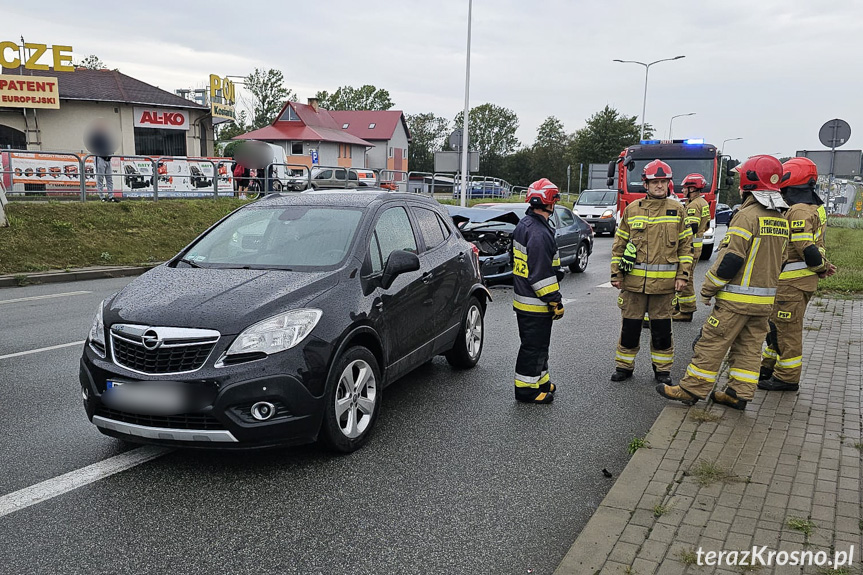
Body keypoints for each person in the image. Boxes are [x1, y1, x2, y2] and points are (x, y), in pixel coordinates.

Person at [656, 155, 788, 410]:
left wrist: (708, 288)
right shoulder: (781, 218)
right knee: (749, 348)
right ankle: (738, 393)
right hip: (764, 303)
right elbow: (781, 260)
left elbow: (731, 259)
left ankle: (690, 389)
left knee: (711, 343)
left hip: (736, 301)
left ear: (747, 182)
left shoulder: (747, 216)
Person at [610, 160, 694, 385]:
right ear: (645, 185)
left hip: (664, 287)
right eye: (654, 182)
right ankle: (624, 367)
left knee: (662, 331)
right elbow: (620, 244)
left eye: (663, 182)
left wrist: (683, 275)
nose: (659, 186)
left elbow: (686, 247)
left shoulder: (678, 210)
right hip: (633, 285)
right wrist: (616, 274)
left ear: (669, 184)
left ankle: (662, 371)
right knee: (630, 328)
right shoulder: (632, 210)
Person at [759, 158, 836, 391]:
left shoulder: (799, 210)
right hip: (794, 283)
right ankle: (769, 366)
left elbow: (806, 248)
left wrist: (821, 267)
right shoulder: (809, 207)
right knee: (776, 328)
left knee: (787, 331)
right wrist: (821, 266)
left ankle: (787, 377)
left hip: (792, 283)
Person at [512, 178, 565, 404]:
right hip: (536, 303)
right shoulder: (540, 233)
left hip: (525, 300)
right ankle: (526, 390)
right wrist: (555, 301)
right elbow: (541, 275)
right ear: (550, 203)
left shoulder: (525, 224)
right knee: (533, 347)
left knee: (539, 345)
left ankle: (540, 381)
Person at [672, 173, 712, 322]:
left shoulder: (694, 205)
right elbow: (706, 225)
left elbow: (691, 227)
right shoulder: (702, 202)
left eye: (685, 188)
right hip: (696, 247)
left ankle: (686, 310)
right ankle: (679, 307)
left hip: (690, 247)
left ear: (692, 189)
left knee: (685, 278)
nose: (682, 191)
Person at [85, 120, 116, 201]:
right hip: (99, 158)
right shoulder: (95, 136)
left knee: (109, 179)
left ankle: (111, 196)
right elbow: (92, 146)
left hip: (108, 158)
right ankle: (102, 197)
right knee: (100, 178)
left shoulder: (107, 136)